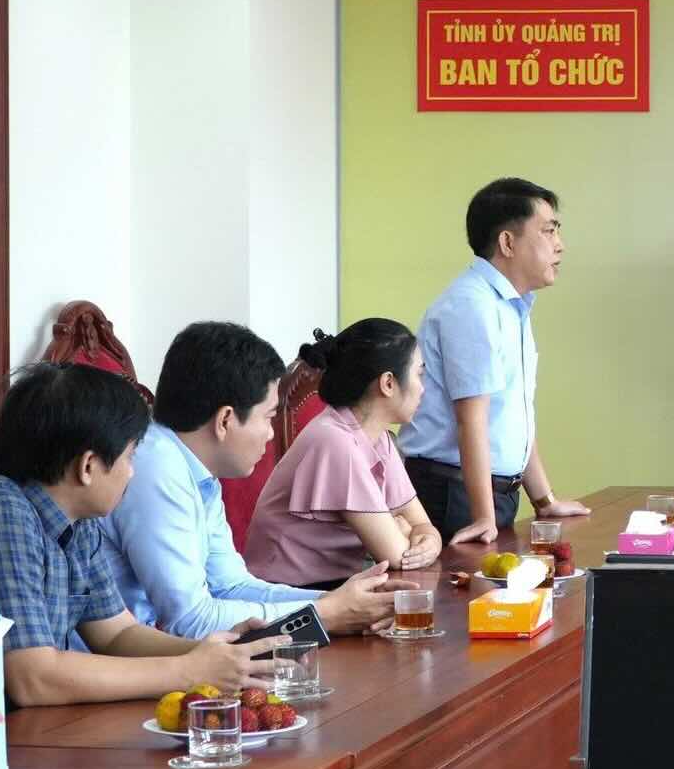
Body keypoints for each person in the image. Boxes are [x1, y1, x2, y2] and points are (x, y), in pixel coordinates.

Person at [0, 364, 290, 706]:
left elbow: (116, 634)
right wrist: (185, 672)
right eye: (130, 457)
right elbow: (32, 677)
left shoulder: (77, 516)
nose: (133, 473)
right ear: (88, 467)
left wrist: (217, 653)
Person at [103, 322, 413, 638]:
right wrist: (324, 613)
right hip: (118, 671)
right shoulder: (157, 466)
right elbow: (191, 620)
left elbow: (232, 586)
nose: (271, 434)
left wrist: (336, 603)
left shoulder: (197, 471)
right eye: (268, 417)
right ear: (225, 420)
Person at [400, 177, 590, 545]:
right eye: (549, 232)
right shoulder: (473, 306)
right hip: (453, 494)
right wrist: (483, 515)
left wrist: (544, 500)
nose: (560, 246)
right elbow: (471, 417)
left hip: (488, 493)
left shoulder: (511, 305)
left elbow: (514, 414)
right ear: (507, 242)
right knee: (466, 602)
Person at [246, 320, 442, 588]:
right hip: (291, 599)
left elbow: (421, 524)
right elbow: (396, 555)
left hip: (337, 587)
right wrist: (405, 530)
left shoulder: (379, 437)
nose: (423, 387)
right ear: (387, 383)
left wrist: (427, 538)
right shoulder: (334, 440)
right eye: (419, 374)